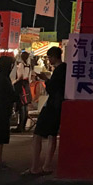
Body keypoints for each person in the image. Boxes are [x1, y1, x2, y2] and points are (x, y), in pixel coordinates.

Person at [26, 46, 66, 176]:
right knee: (52, 135)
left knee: (37, 135)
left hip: (52, 106)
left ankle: (35, 167)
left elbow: (53, 88)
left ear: (53, 57)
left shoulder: (60, 70)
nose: (49, 60)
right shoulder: (64, 69)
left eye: (49, 58)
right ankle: (47, 165)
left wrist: (45, 79)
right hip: (58, 106)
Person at [0, 55, 17, 171]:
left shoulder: (1, 76)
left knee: (1, 137)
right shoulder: (3, 78)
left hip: (1, 109)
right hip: (2, 109)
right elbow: (9, 94)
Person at [12, 51, 32, 132]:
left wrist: (14, 82)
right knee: (25, 105)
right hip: (26, 85)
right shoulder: (28, 65)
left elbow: (20, 76)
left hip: (21, 86)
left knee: (21, 106)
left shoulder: (20, 65)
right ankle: (23, 126)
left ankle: (20, 126)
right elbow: (29, 77)